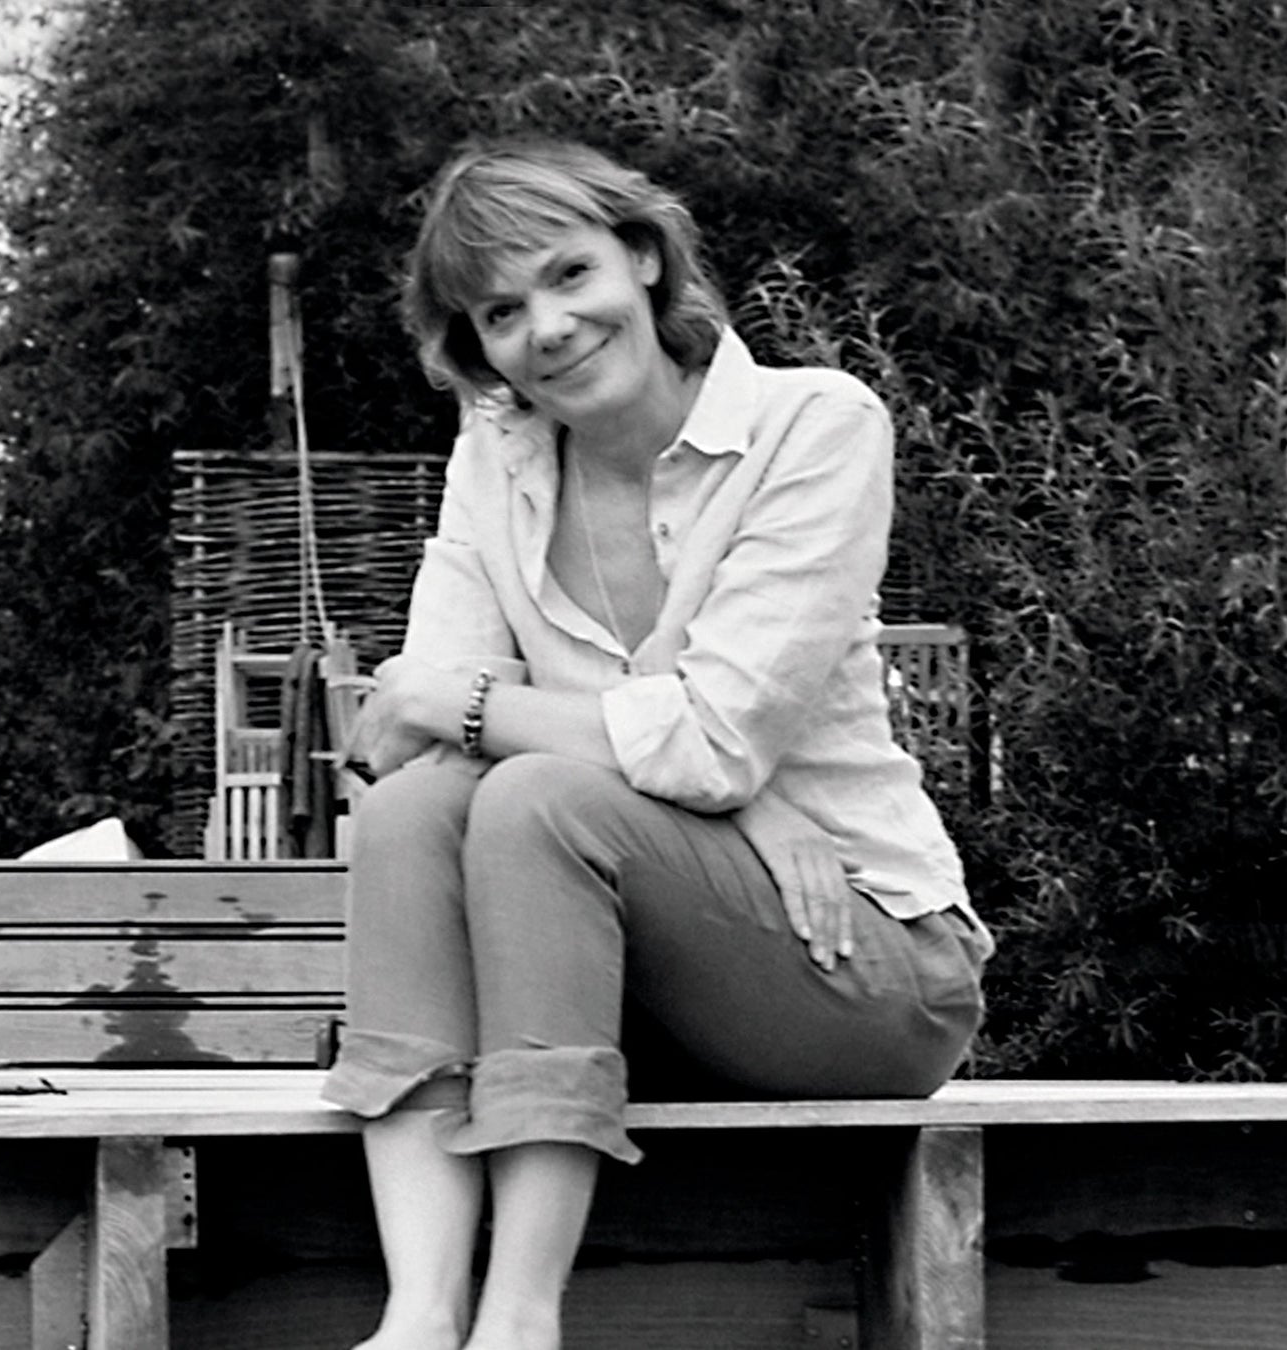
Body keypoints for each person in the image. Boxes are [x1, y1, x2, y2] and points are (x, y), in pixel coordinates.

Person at [324, 136, 995, 1350]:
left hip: (858, 959)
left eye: (570, 273)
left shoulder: (813, 426)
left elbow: (691, 740)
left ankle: (520, 1323)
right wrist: (715, 796)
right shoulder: (497, 457)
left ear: (641, 256)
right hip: (636, 982)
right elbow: (423, 752)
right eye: (501, 312)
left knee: (536, 798)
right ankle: (418, 1316)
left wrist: (696, 778)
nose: (549, 328)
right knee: (417, 812)